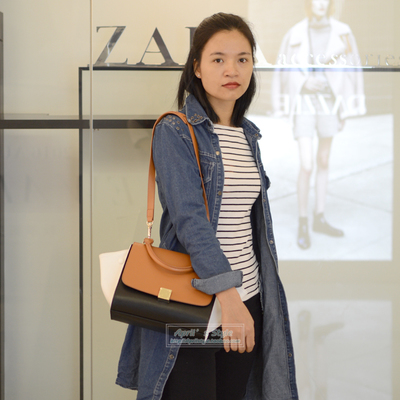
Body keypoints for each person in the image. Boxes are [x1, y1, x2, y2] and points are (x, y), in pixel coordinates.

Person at [116, 13, 298, 400]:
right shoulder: (175, 130)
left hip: (249, 300)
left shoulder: (248, 135)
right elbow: (190, 222)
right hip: (195, 303)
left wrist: (243, 301)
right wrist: (227, 298)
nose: (232, 69)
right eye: (218, 59)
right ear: (197, 67)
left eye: (243, 59)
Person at [272, 0, 365, 249]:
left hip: (330, 102)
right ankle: (303, 221)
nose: (321, 3)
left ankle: (319, 217)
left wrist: (349, 106)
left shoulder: (343, 32)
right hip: (303, 102)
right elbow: (283, 69)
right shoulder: (295, 33)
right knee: (307, 164)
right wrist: (303, 84)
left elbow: (353, 66)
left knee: (323, 160)